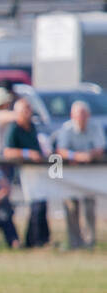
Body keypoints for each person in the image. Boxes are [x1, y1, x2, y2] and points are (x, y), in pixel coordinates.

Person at [53, 100, 106, 249]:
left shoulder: (95, 127)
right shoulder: (67, 129)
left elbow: (100, 148)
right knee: (71, 207)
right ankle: (74, 242)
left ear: (88, 115)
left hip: (89, 176)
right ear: (72, 116)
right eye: (78, 115)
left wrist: (89, 155)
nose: (81, 118)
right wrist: (77, 156)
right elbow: (60, 150)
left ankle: (90, 242)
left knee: (89, 206)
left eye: (84, 115)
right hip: (71, 176)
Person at [3, 97, 50, 248]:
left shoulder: (33, 127)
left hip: (37, 173)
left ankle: (39, 239)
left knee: (41, 203)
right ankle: (33, 240)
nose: (28, 113)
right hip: (20, 174)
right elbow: (8, 152)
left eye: (29, 110)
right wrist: (27, 153)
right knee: (35, 204)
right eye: (24, 110)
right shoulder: (14, 128)